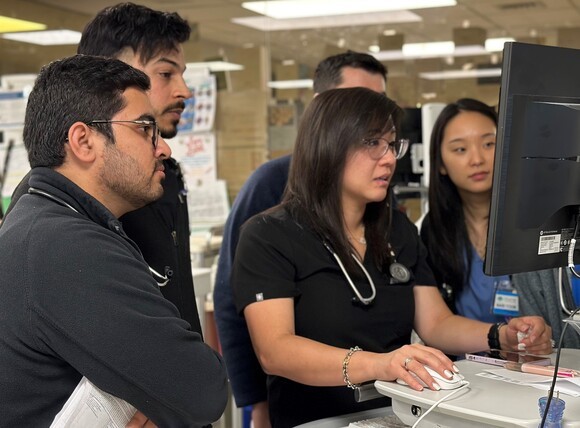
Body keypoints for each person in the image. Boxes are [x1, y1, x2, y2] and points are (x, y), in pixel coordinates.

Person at [231, 87, 553, 427]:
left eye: (391, 145)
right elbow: (275, 351)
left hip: (403, 413)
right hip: (318, 418)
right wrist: (381, 364)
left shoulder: (395, 228)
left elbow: (436, 323)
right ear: (328, 146)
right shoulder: (269, 234)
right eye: (372, 143)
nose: (388, 158)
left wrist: (499, 336)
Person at [0, 54, 228, 426]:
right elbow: (203, 389)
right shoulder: (65, 244)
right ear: (83, 140)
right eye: (143, 128)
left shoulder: (40, 222)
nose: (163, 148)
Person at [3, 2, 202, 335]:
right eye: (166, 73)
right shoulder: (62, 203)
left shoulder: (162, 175)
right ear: (111, 75)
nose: (184, 90)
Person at [213, 51, 388, 426]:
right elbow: (232, 298)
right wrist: (255, 402)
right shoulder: (272, 185)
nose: (368, 113)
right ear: (319, 109)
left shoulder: (375, 189)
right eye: (353, 100)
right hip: (289, 400)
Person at [420, 98, 580, 348]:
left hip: (541, 367)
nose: (477, 159)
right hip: (469, 372)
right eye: (460, 149)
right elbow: (436, 324)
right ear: (440, 163)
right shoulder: (434, 230)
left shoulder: (542, 220)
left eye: (489, 143)